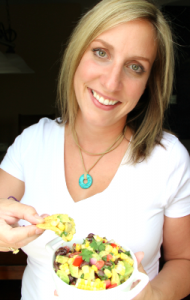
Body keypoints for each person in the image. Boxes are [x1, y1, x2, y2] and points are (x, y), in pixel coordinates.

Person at [0, 0, 190, 299]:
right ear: (77, 54)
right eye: (101, 52)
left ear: (148, 84)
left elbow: (183, 261)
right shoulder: (30, 143)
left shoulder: (170, 158)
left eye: (135, 67)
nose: (111, 82)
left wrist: (153, 295)